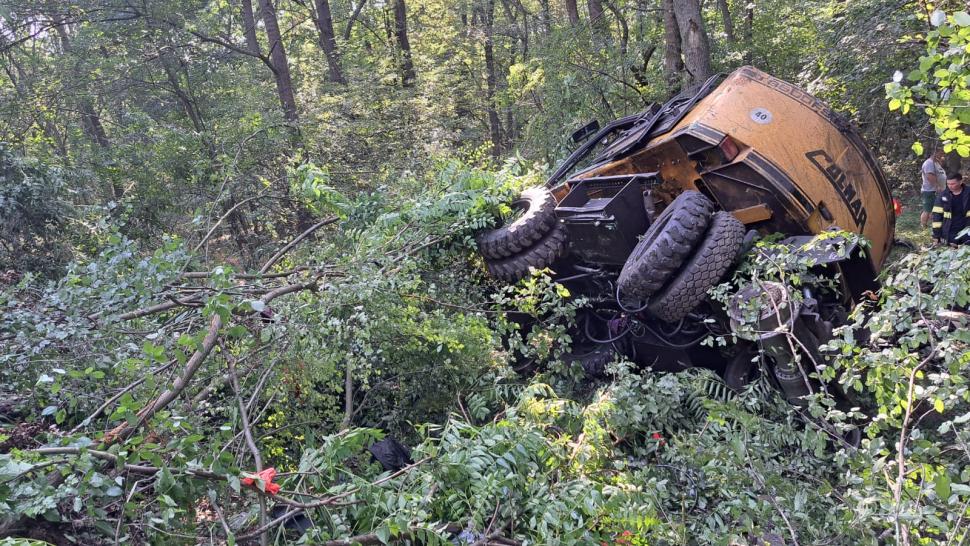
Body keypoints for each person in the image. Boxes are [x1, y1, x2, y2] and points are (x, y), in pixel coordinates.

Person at [931, 172, 970, 246]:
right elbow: (937, 217)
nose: (950, 186)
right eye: (948, 184)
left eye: (953, 184)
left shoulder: (968, 193)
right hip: (950, 230)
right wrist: (936, 235)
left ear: (961, 182)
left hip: (967, 228)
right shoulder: (943, 196)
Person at [921, 148, 947, 228]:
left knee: (936, 208)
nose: (942, 154)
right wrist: (937, 186)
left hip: (939, 190)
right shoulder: (929, 163)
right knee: (928, 209)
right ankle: (924, 226)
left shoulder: (936, 163)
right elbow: (929, 176)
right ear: (935, 152)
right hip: (930, 191)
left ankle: (934, 225)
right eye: (941, 153)